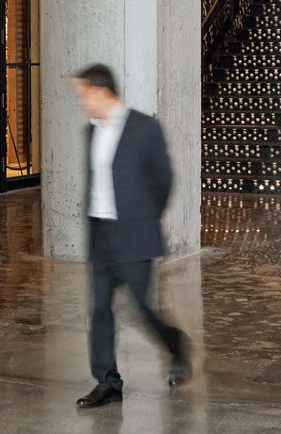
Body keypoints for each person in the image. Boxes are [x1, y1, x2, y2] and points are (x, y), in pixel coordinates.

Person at [71, 64, 189, 409]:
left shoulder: (144, 127)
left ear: (100, 91)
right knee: (100, 310)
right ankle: (107, 382)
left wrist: (144, 218)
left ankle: (177, 347)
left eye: (83, 94)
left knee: (143, 308)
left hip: (135, 234)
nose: (81, 102)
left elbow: (164, 180)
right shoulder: (90, 132)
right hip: (101, 235)